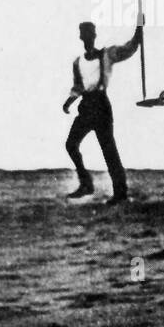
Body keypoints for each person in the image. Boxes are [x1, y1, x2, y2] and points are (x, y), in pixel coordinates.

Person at [62, 17, 143, 203]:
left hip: (101, 106)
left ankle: (120, 193)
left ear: (95, 35)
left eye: (90, 34)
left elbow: (131, 47)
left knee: (109, 150)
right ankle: (86, 184)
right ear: (81, 37)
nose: (87, 37)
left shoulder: (107, 54)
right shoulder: (77, 62)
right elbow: (78, 87)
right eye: (84, 34)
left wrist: (139, 26)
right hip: (86, 106)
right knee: (71, 144)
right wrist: (68, 102)